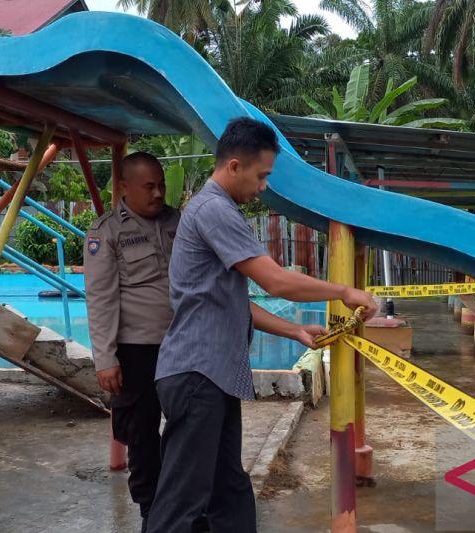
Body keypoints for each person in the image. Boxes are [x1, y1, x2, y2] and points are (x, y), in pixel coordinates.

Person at [148, 117, 377, 532]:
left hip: (209, 376)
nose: (264, 186)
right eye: (261, 175)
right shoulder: (215, 209)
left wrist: (294, 331)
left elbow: (233, 303)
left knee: (228, 488)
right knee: (183, 500)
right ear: (234, 166)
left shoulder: (212, 209)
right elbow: (275, 280)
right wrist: (344, 291)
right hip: (197, 375)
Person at [83, 152, 180, 531]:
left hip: (181, 345)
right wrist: (105, 358)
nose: (158, 193)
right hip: (136, 351)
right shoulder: (106, 232)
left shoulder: (178, 222)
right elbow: (101, 297)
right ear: (124, 188)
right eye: (149, 186)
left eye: (161, 185)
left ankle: (183, 503)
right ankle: (151, 512)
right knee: (141, 434)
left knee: (186, 427)